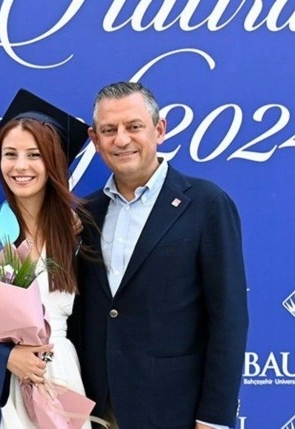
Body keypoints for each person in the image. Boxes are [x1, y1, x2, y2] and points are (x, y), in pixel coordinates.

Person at [72, 82, 249, 429]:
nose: (121, 139)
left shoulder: (206, 204)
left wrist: (213, 419)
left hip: (175, 411)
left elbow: (228, 319)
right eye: (109, 130)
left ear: (160, 129)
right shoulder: (87, 213)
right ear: (94, 139)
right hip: (98, 411)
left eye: (134, 126)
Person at [0, 89, 93, 428]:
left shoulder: (78, 236)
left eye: (34, 155)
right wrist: (6, 356)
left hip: (62, 380)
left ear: (54, 162)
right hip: (2, 390)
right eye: (10, 154)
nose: (20, 166)